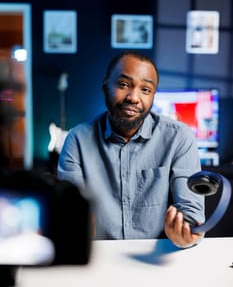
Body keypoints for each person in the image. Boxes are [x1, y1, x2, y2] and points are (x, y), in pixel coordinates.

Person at [57, 50, 205, 248]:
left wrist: (185, 231)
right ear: (105, 87)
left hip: (159, 258)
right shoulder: (77, 140)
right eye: (123, 84)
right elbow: (72, 216)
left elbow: (191, 213)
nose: (133, 97)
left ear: (153, 96)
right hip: (99, 259)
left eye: (145, 89)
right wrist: (77, 225)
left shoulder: (179, 137)